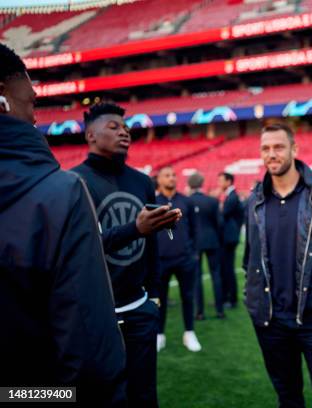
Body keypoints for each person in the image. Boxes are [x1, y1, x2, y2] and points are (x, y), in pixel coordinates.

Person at [0, 43, 127, 406]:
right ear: (2, 97)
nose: (36, 117)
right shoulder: (61, 191)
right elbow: (89, 362)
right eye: (32, 103)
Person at [72, 102, 181, 407]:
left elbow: (153, 243)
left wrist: (155, 296)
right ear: (90, 135)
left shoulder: (142, 181)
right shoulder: (73, 182)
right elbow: (82, 248)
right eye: (114, 127)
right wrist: (135, 229)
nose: (125, 132)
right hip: (97, 314)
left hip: (139, 309)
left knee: (144, 396)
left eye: (127, 128)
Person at [243, 123, 312, 407]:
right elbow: (249, 259)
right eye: (266, 148)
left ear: (294, 149)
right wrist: (252, 299)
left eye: (278, 147)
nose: (272, 154)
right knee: (288, 398)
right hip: (271, 322)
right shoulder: (255, 199)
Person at [155, 166, 202, 352]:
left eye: (174, 175)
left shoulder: (186, 201)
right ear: (159, 180)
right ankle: (159, 334)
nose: (172, 178)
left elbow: (195, 229)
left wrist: (194, 253)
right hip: (160, 259)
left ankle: (189, 332)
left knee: (188, 297)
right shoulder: (152, 202)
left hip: (184, 259)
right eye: (167, 175)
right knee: (160, 299)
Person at [188, 172, 225, 319]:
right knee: (216, 275)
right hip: (212, 241)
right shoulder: (212, 201)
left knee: (197, 277)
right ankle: (220, 310)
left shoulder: (186, 201)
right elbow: (219, 223)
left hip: (195, 243)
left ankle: (199, 312)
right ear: (202, 183)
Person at [218, 171, 243, 308]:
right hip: (228, 237)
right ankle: (226, 296)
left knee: (227, 268)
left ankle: (231, 299)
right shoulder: (230, 195)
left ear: (228, 181)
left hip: (229, 238)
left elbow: (224, 214)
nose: (219, 183)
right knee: (225, 268)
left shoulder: (232, 197)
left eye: (221, 180)